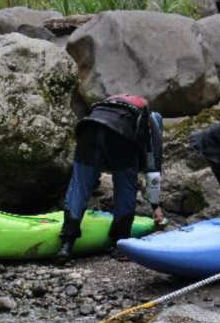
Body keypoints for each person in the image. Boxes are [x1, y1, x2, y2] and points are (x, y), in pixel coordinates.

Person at [57, 94, 166, 257]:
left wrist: (92, 182)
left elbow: (91, 171)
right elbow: (153, 170)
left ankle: (66, 244)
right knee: (126, 189)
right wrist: (155, 206)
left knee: (78, 187)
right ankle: (120, 244)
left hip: (88, 129)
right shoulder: (151, 123)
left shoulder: (113, 105)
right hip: (119, 136)